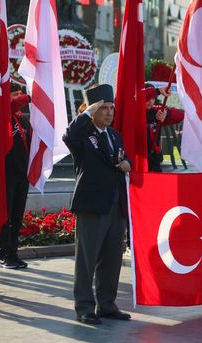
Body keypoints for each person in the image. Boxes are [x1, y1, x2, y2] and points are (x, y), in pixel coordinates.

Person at [63, 84, 131, 325]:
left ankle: (107, 304)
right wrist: (85, 113)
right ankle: (84, 307)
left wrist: (127, 165)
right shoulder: (82, 134)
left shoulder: (114, 135)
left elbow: (123, 159)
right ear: (92, 110)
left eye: (111, 108)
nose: (109, 112)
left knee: (112, 259)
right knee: (87, 259)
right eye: (103, 108)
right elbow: (68, 136)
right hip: (92, 204)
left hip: (115, 204)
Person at [0, 91, 32, 269]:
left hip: (22, 174)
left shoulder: (23, 120)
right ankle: (3, 254)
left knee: (17, 217)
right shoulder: (2, 117)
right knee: (6, 215)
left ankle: (13, 253)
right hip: (6, 175)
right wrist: (30, 97)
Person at [145, 84, 184, 172]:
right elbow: (139, 96)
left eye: (153, 98)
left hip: (154, 161)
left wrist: (167, 114)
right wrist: (157, 91)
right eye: (148, 98)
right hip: (139, 161)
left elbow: (181, 115)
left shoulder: (155, 111)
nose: (151, 101)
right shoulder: (133, 110)